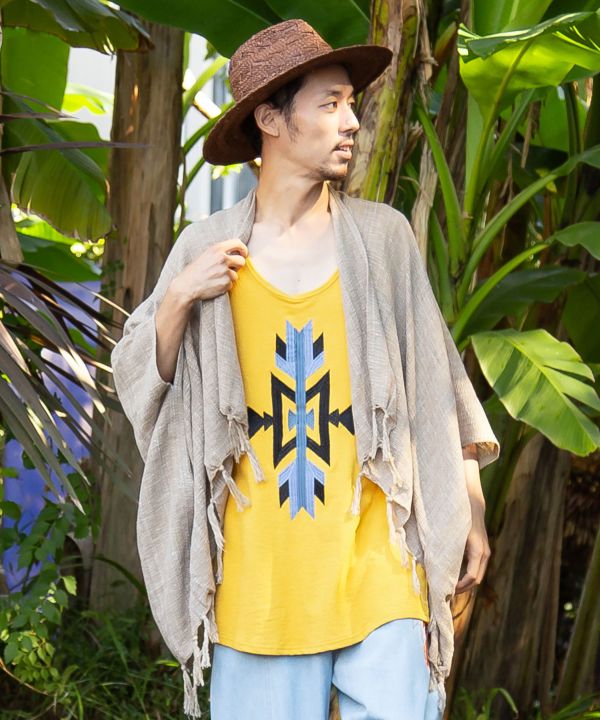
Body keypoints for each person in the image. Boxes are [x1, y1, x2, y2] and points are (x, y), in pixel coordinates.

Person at [111, 17, 500, 720]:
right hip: (260, 588)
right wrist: (177, 299)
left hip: (379, 571)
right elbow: (140, 381)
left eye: (351, 104)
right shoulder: (207, 248)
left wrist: (468, 504)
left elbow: (434, 379)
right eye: (330, 104)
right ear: (270, 120)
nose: (351, 122)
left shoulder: (382, 239)